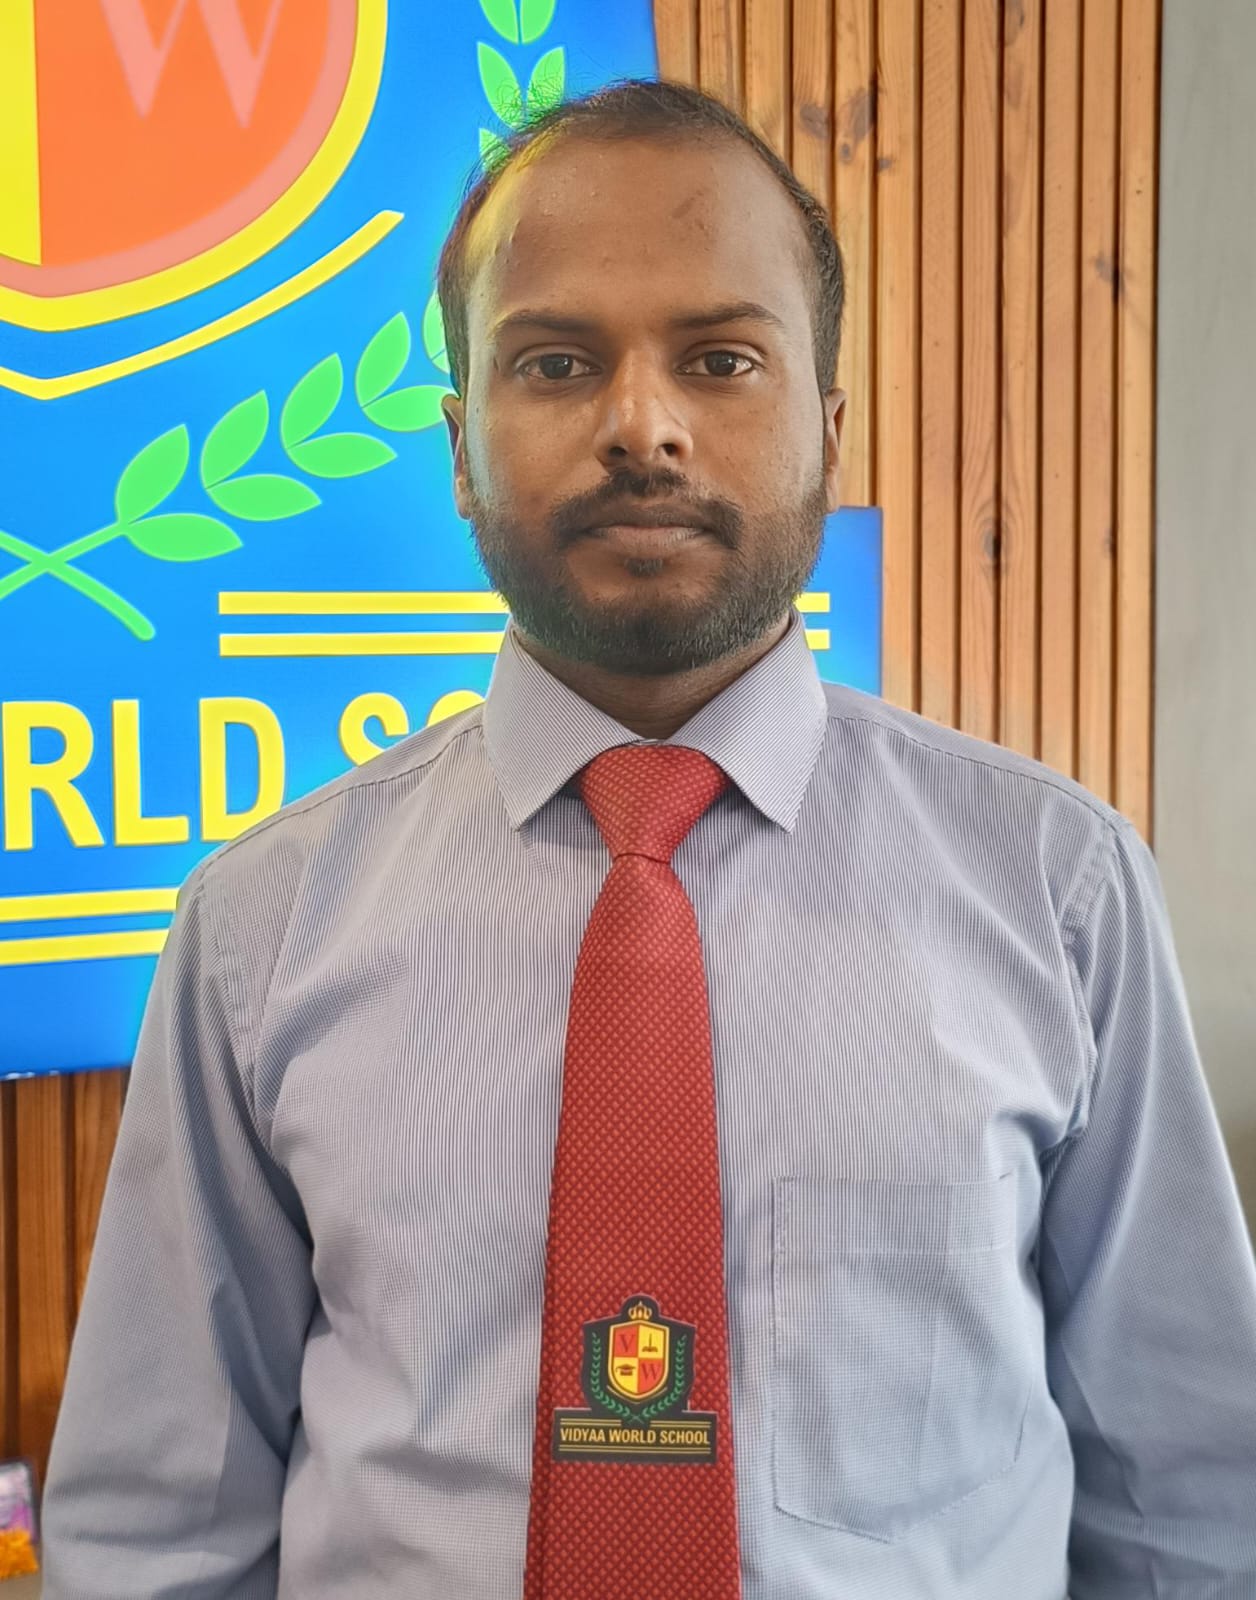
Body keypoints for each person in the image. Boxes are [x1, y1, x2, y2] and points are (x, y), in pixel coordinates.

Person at [40, 77, 1256, 1600]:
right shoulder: (260, 924)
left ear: (827, 429)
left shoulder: (1060, 890)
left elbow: (1188, 1503)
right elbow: (159, 1532)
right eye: (555, 362)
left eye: (721, 359)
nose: (642, 427)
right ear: (461, 447)